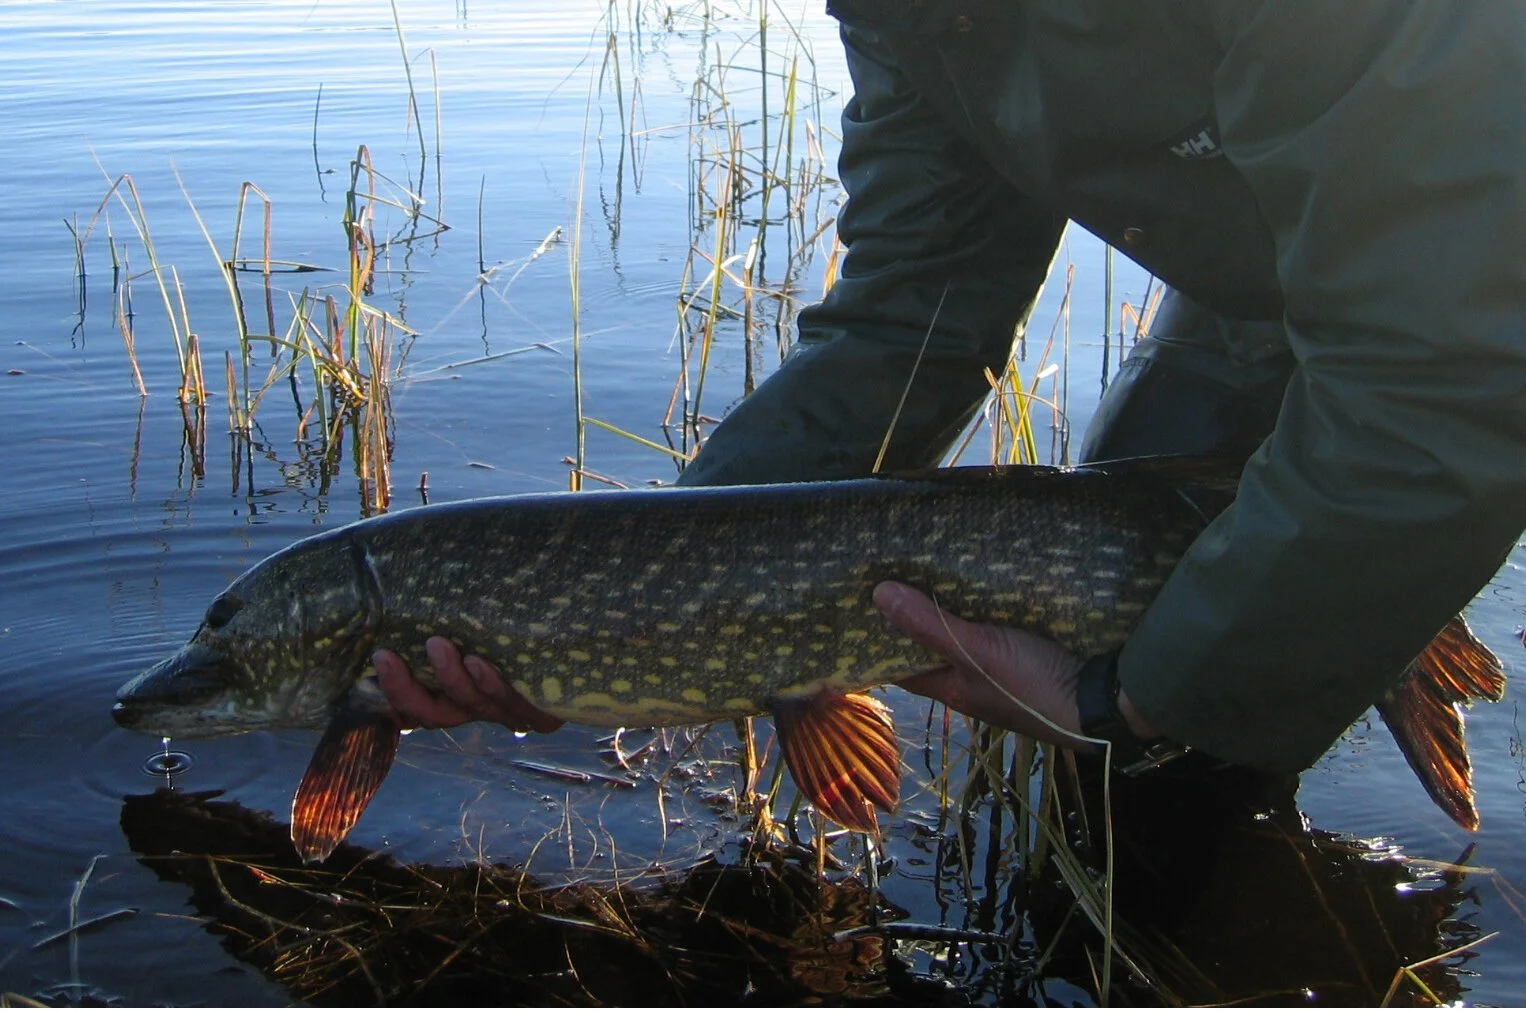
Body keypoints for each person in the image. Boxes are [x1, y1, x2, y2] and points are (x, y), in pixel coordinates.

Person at [379, 3, 1526, 780]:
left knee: (1168, 692)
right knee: (1167, 708)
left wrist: (1123, 703)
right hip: (1295, 271)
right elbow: (913, 306)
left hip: (1472, 272)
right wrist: (620, 591)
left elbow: (1446, 369)